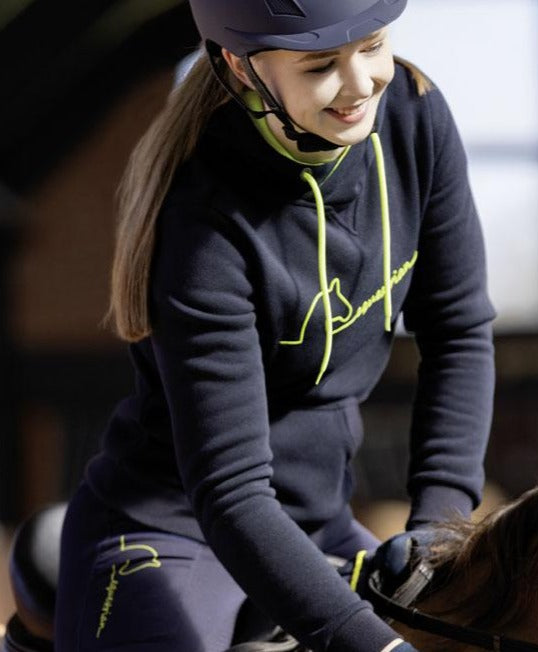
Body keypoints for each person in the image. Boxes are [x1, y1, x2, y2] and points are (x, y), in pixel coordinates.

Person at [54, 1, 495, 650]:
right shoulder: (203, 225)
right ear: (240, 65)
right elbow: (231, 491)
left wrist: (437, 525)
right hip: (175, 530)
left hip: (320, 522)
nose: (360, 82)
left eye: (372, 45)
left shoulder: (415, 115)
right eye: (320, 64)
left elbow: (458, 332)